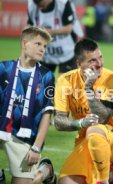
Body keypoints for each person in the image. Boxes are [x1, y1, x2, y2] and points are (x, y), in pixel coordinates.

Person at [54, 38, 113, 184]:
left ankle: (103, 180)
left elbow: (103, 118)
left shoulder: (112, 79)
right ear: (79, 64)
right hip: (85, 140)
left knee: (94, 130)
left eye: (100, 57)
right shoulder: (65, 81)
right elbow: (58, 121)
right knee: (65, 182)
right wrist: (81, 123)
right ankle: (111, 171)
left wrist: (88, 89)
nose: (99, 63)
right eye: (92, 60)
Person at [0, 26, 56, 184]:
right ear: (25, 44)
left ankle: (45, 171)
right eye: (38, 44)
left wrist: (36, 147)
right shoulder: (3, 69)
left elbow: (46, 115)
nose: (42, 49)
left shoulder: (46, 76)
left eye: (44, 46)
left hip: (25, 139)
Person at [27, 0, 78, 73]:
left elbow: (69, 28)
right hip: (45, 55)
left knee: (65, 83)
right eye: (35, 2)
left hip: (67, 54)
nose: (37, 5)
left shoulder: (63, 4)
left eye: (39, 2)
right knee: (42, 83)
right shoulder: (32, 5)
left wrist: (49, 32)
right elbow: (30, 24)